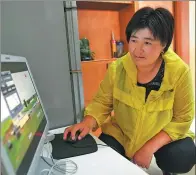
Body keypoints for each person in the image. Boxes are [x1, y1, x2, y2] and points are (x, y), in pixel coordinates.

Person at [64, 7, 195, 175]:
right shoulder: (117, 68)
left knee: (182, 156)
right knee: (104, 159)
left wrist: (148, 148)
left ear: (163, 44)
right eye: (134, 40)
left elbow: (183, 118)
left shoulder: (179, 72)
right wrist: (87, 122)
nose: (137, 50)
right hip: (122, 132)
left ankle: (164, 166)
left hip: (160, 132)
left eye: (147, 42)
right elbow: (102, 102)